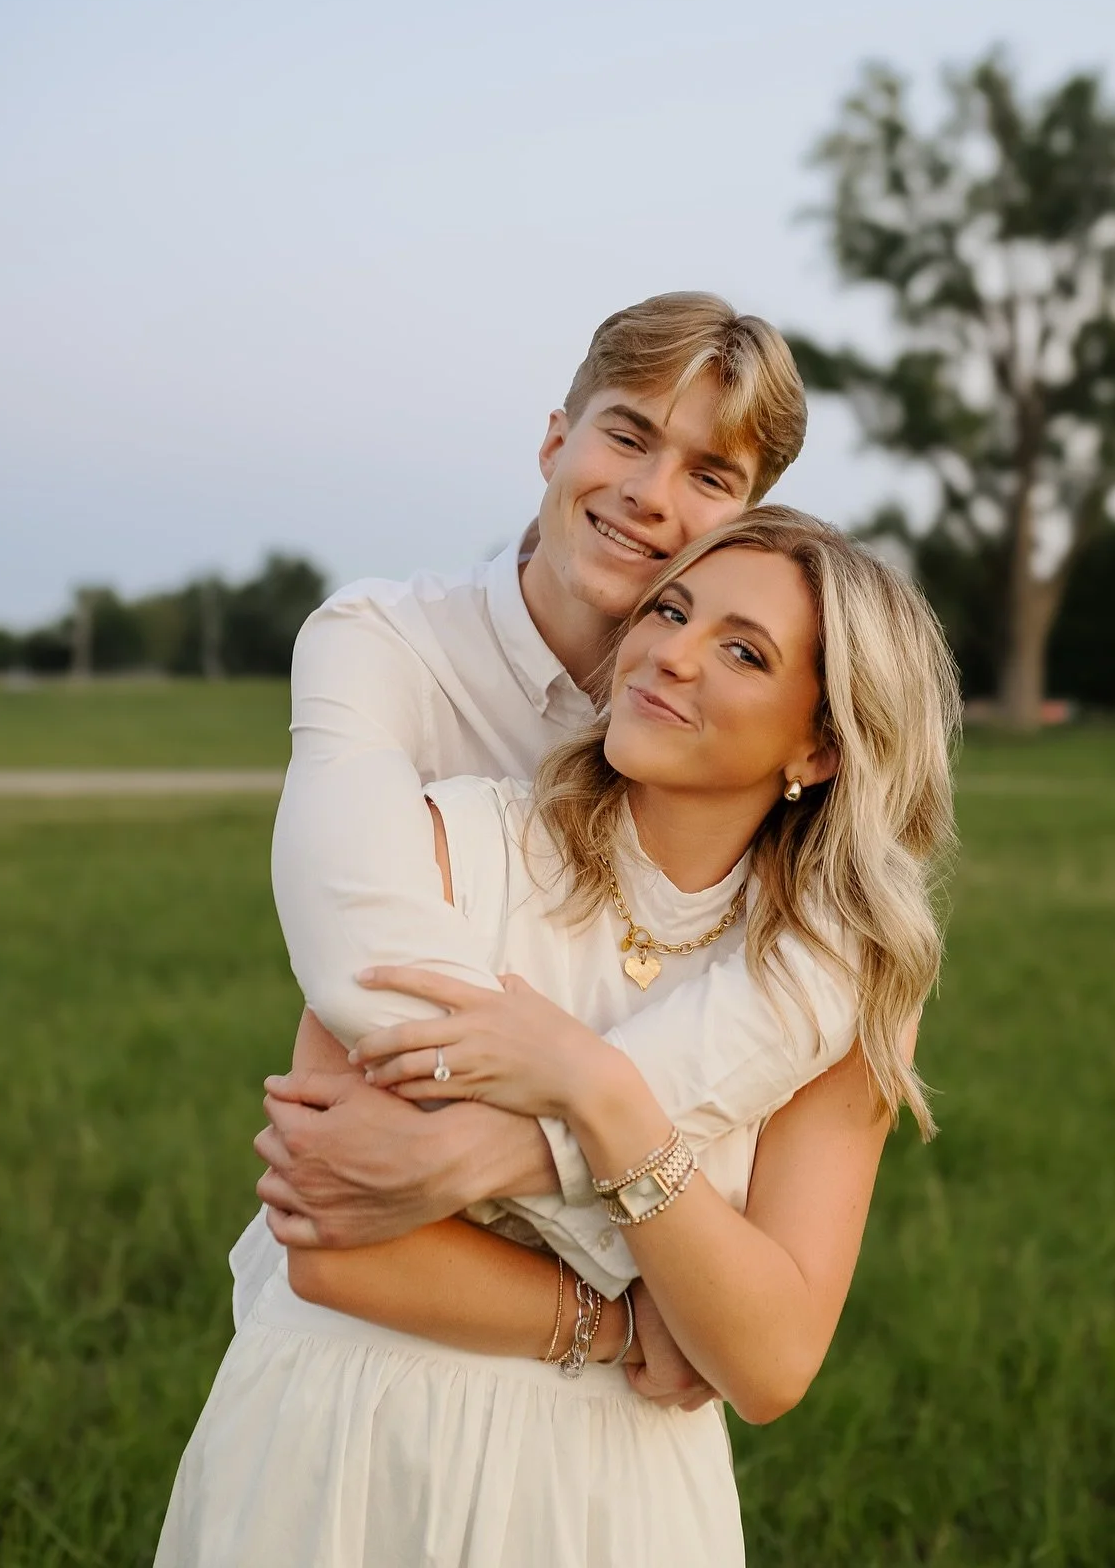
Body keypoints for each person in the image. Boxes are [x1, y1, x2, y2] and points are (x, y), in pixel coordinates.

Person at [155, 508, 958, 1567]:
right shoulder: (450, 847)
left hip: (613, 1491)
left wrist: (603, 1095)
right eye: (670, 608)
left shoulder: (829, 987)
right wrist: (627, 1320)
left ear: (819, 741)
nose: (670, 652)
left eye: (743, 650)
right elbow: (336, 1245)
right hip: (349, 1438)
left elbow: (769, 1357)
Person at [243, 292, 866, 1316]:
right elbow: (369, 956)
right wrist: (623, 1220)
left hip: (627, 1316)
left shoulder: (737, 733)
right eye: (627, 433)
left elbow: (828, 974)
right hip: (391, 1265)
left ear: (747, 519)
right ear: (554, 439)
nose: (650, 494)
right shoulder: (381, 644)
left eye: (710, 475)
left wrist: (496, 1148)